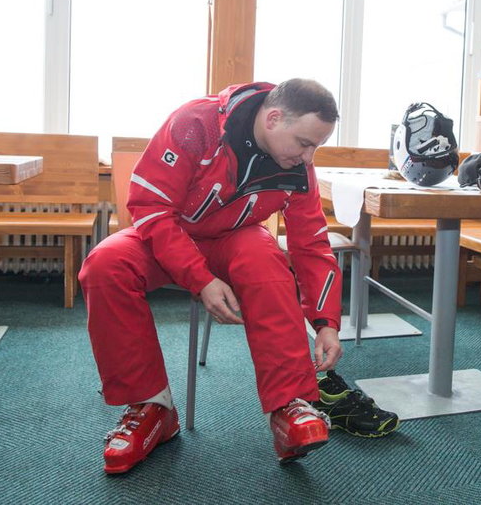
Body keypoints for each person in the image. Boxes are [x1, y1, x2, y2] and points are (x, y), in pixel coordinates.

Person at [81, 79, 353, 473]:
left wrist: (326, 323)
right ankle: (153, 409)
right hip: (170, 233)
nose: (309, 157)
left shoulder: (298, 167)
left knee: (266, 260)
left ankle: (289, 407)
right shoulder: (196, 125)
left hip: (236, 239)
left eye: (316, 147)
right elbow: (151, 207)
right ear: (273, 118)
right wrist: (199, 279)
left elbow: (311, 244)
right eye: (304, 143)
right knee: (104, 265)